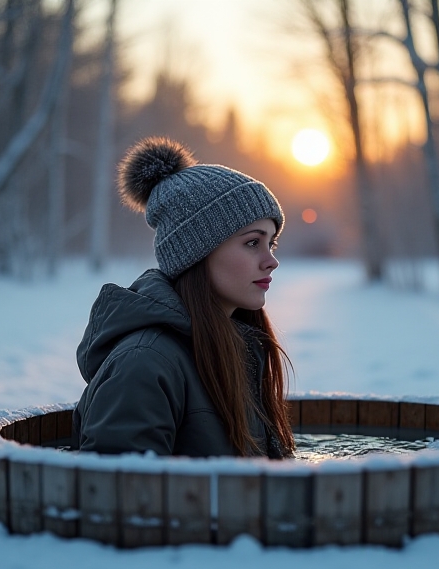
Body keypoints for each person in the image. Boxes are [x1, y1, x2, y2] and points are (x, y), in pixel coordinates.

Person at [72, 137, 295, 458]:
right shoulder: (144, 364)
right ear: (196, 252)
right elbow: (117, 497)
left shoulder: (237, 348)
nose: (271, 260)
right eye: (251, 243)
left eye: (270, 244)